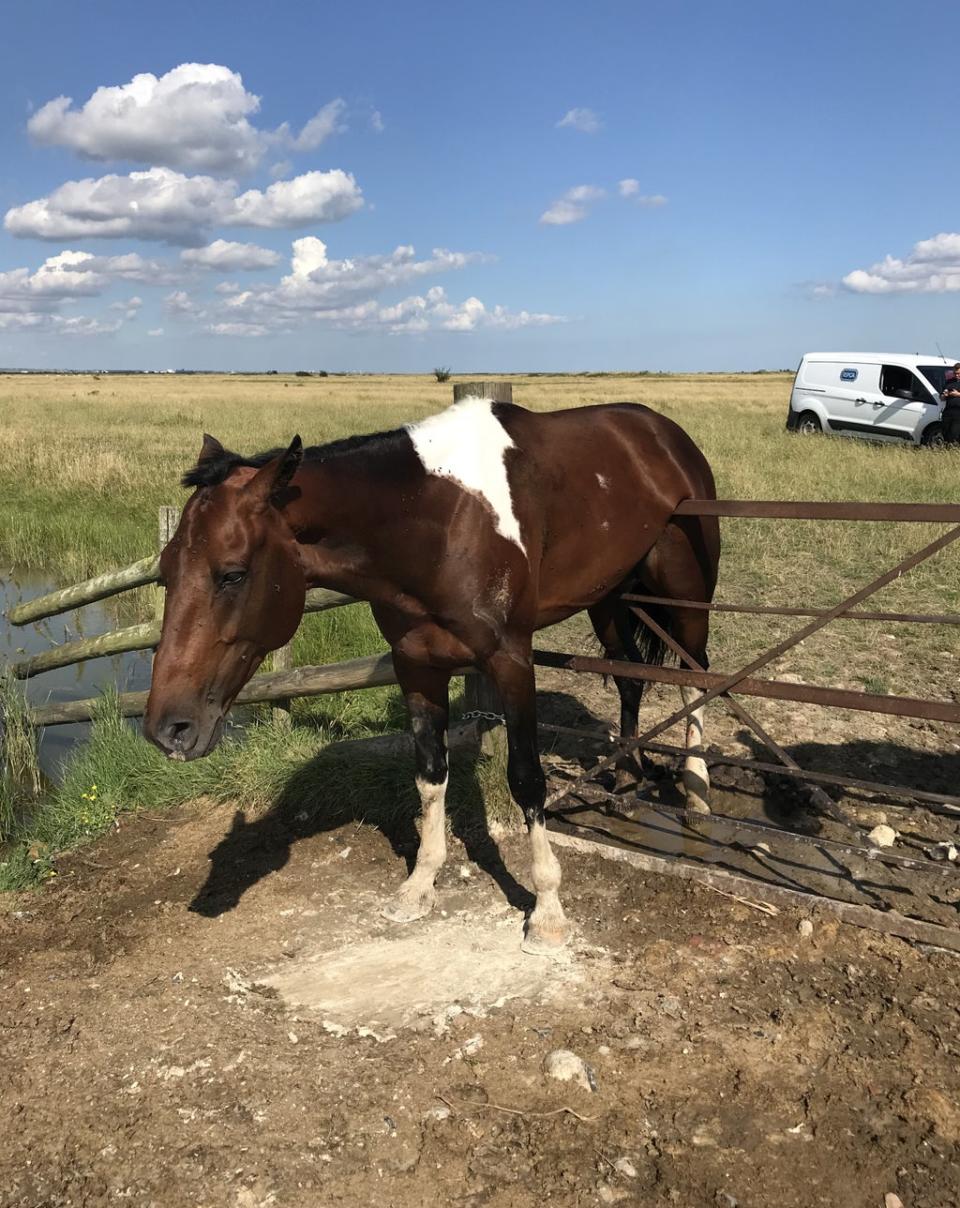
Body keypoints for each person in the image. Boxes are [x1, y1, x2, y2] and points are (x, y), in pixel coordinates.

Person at [941, 364, 960, 444]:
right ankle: (947, 452)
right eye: (955, 373)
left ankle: (953, 450)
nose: (957, 375)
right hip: (948, 411)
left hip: (958, 412)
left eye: (959, 373)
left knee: (954, 434)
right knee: (945, 433)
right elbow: (941, 397)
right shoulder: (949, 382)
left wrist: (958, 394)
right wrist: (944, 395)